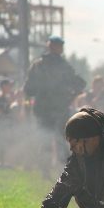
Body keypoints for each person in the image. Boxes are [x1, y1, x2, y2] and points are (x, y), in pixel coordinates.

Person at [24, 35, 86, 171]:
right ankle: (60, 169)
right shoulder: (61, 66)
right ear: (52, 47)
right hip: (53, 108)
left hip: (50, 109)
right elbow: (79, 83)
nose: (60, 48)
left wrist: (70, 96)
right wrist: (70, 95)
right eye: (58, 45)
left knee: (54, 139)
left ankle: (54, 169)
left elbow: (28, 90)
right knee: (56, 139)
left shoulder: (40, 65)